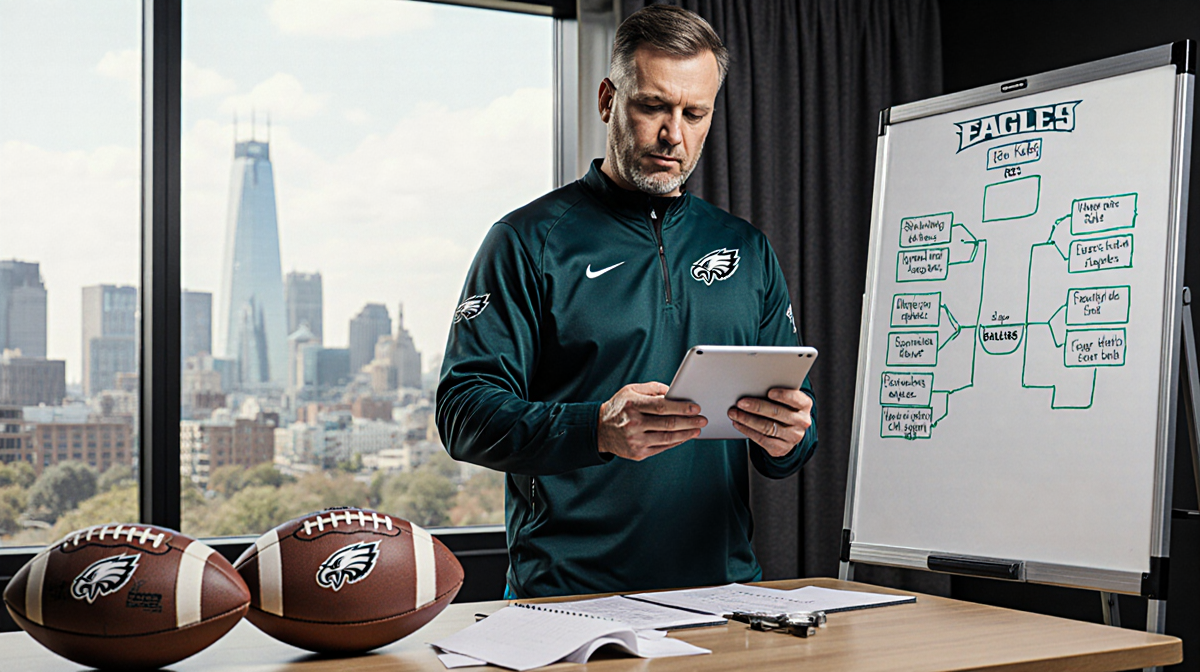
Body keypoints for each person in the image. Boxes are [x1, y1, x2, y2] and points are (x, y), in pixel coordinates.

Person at [436, 5, 817, 599]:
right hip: (566, 596)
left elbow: (792, 442)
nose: (674, 135)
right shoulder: (526, 240)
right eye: (653, 107)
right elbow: (463, 415)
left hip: (722, 597)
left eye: (694, 113)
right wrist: (596, 428)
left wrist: (788, 436)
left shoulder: (748, 249)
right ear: (607, 100)